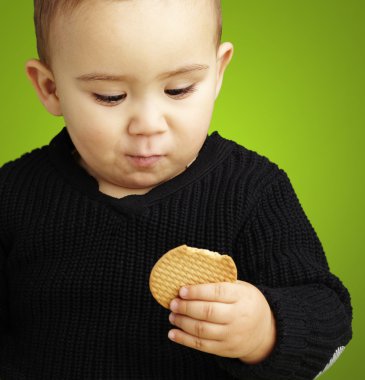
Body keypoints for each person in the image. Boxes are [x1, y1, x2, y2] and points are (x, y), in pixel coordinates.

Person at [0, 0, 352, 379]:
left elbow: (329, 316)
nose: (149, 124)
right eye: (110, 96)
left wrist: (264, 330)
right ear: (51, 88)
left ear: (218, 72)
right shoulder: (13, 193)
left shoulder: (251, 190)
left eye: (179, 89)